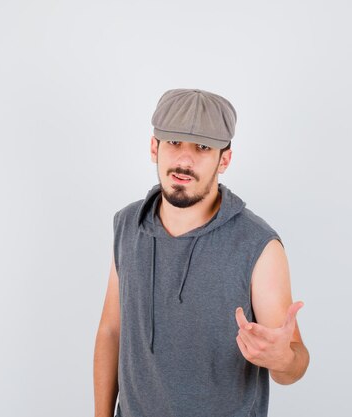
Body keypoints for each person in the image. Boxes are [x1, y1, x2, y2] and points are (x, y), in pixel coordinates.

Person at [93, 88, 309, 417]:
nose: (184, 160)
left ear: (225, 158)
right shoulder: (127, 225)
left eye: (203, 147)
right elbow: (111, 330)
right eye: (174, 142)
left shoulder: (258, 245)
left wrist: (283, 360)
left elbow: (293, 361)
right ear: (155, 147)